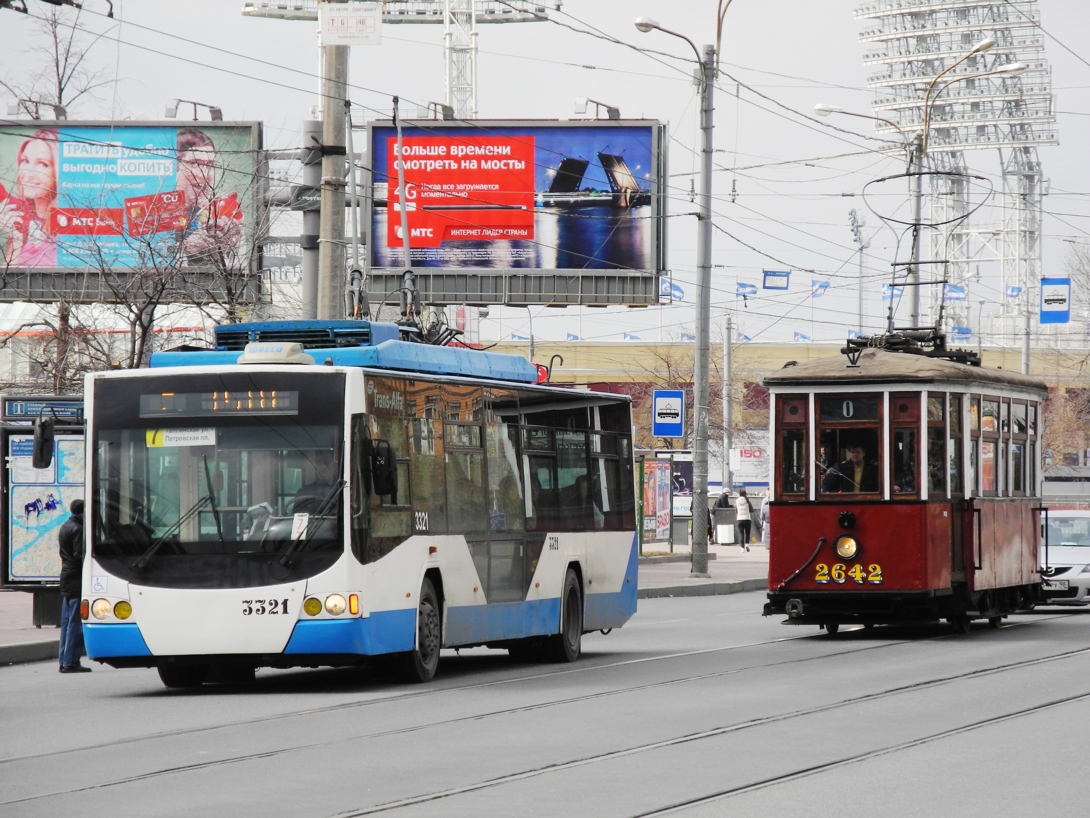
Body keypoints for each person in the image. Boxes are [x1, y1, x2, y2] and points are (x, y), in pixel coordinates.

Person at [175, 127, 243, 264]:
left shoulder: (221, 213)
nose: (204, 175)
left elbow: (242, 272)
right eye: (194, 163)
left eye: (210, 165)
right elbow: (142, 261)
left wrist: (228, 248)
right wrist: (187, 249)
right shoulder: (153, 212)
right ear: (174, 167)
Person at [1, 128, 59, 267]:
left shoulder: (68, 223)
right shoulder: (19, 216)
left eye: (42, 164)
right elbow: (7, 281)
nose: (29, 173)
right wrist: (15, 238)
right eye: (25, 161)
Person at [57, 498, 90, 673]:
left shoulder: (66, 525)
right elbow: (79, 555)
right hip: (76, 578)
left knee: (67, 622)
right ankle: (71, 662)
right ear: (83, 511)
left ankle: (63, 660)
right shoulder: (79, 529)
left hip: (67, 576)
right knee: (76, 623)